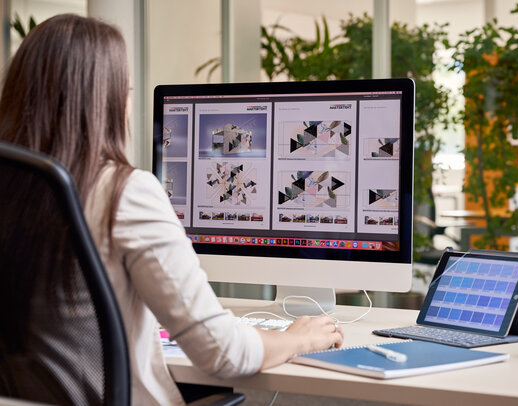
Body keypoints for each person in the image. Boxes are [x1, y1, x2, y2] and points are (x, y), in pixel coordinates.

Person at [0, 14, 343, 405]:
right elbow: (223, 352)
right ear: (106, 102)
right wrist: (295, 338)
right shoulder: (124, 192)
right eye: (126, 92)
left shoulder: (14, 192)